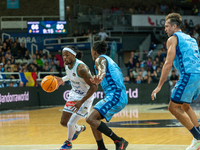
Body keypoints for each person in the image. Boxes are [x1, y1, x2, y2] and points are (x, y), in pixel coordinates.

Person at [151, 13, 200, 150]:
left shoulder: (173, 39)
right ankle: (197, 138)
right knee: (185, 106)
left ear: (174, 26)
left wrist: (159, 86)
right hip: (198, 74)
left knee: (172, 107)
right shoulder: (191, 39)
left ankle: (198, 138)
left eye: (167, 26)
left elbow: (168, 64)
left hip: (188, 74)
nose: (165, 29)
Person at [86, 40, 128, 150]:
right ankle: (101, 147)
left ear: (94, 52)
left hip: (115, 94)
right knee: (93, 119)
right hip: (117, 94)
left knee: (90, 119)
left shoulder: (100, 59)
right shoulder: (110, 60)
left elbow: (102, 70)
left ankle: (118, 140)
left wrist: (100, 76)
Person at [55, 45, 98, 150]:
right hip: (74, 94)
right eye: (63, 55)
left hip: (86, 96)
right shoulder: (67, 65)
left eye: (67, 55)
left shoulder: (81, 68)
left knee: (70, 123)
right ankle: (78, 129)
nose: (64, 57)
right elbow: (71, 75)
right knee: (64, 122)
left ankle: (68, 143)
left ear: (73, 55)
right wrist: (62, 80)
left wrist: (81, 101)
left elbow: (94, 86)